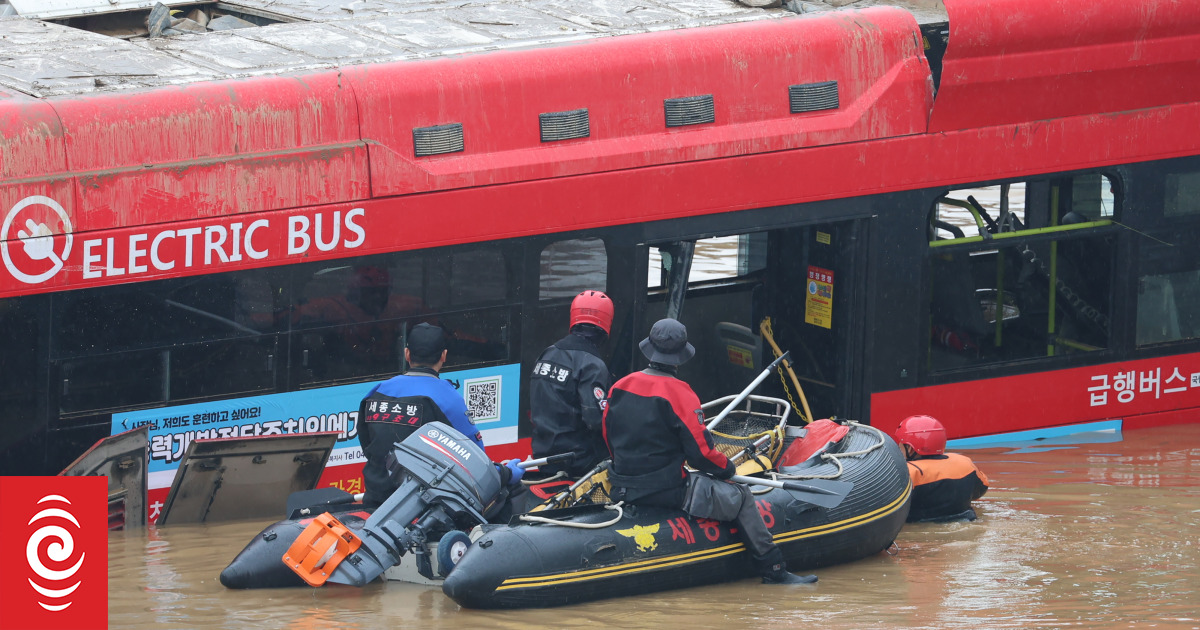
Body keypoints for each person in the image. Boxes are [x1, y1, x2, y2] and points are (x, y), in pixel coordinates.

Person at [602, 318, 816, 585]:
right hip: (667, 490)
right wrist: (726, 469)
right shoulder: (681, 394)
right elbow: (701, 455)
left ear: (650, 348)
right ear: (680, 357)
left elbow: (608, 438)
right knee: (741, 496)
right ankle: (774, 568)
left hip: (621, 485)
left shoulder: (619, 386)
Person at [358, 322, 523, 507]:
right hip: (421, 510)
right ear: (444, 356)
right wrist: (505, 473)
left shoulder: (377, 391)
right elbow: (477, 464)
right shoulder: (447, 398)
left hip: (375, 501)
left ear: (407, 354)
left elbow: (368, 445)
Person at [530, 290, 615, 478]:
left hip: (543, 454)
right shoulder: (592, 364)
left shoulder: (547, 354)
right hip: (579, 461)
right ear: (605, 325)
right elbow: (596, 420)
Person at [895, 415, 990, 522]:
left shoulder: (905, 473)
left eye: (900, 446)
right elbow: (980, 491)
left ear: (910, 448)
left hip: (920, 529)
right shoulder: (965, 463)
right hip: (965, 521)